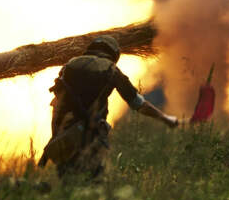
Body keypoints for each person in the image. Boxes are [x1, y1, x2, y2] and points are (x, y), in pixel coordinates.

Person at [38, 35, 178, 179]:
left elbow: (57, 101)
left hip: (63, 135)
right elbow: (138, 104)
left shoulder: (69, 66)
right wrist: (165, 118)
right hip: (89, 136)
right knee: (92, 181)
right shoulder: (110, 69)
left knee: (67, 182)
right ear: (113, 53)